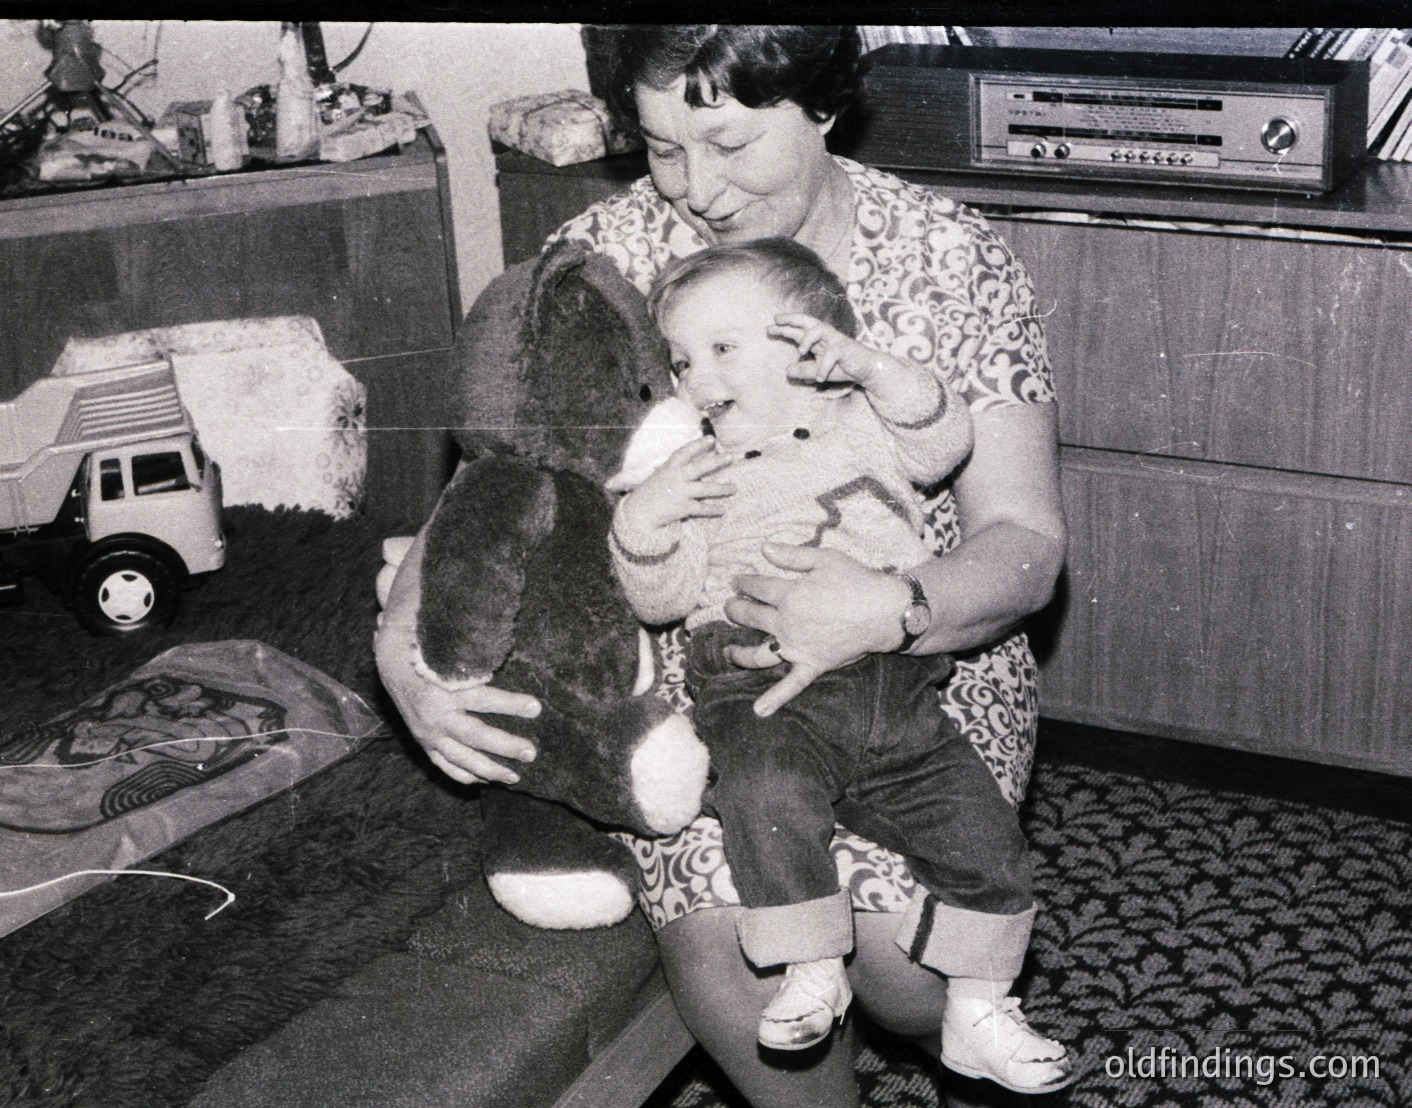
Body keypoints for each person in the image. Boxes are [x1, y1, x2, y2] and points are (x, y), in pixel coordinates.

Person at [375, 25, 1068, 1106]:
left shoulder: (949, 255)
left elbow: (1024, 542)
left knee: (909, 971)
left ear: (824, 105)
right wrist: (400, 644)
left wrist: (888, 607)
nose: (696, 189)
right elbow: (500, 473)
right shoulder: (602, 255)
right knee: (737, 954)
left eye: (731, 144)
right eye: (662, 148)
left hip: (928, 644)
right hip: (695, 665)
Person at [607, 236, 1066, 1093]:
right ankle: (810, 964)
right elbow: (661, 598)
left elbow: (942, 443)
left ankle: (982, 1007)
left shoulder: (865, 423)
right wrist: (645, 519)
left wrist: (874, 370)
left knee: (977, 828)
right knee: (764, 795)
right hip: (757, 677)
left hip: (893, 679)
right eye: (681, 360)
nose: (696, 376)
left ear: (806, 345)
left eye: (722, 347)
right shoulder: (697, 472)